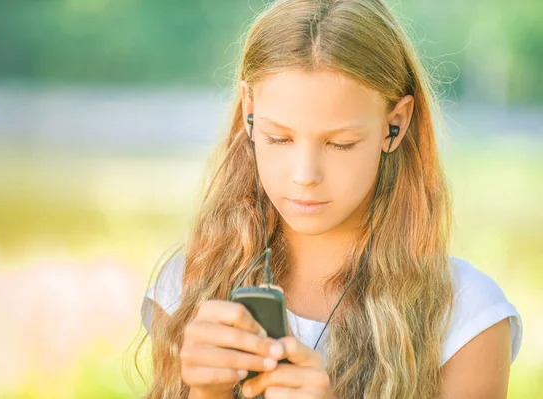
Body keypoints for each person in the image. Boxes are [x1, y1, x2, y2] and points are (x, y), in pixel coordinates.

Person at [137, 0, 523, 397]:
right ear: (249, 111)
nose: (305, 176)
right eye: (279, 138)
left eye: (340, 144)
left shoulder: (465, 316)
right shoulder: (190, 285)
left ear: (396, 124)